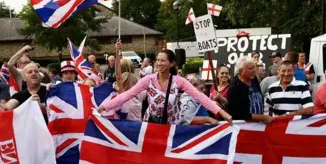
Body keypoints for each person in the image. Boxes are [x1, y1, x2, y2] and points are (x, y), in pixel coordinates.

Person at [98, 49, 232, 125]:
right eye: (158, 60)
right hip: (151, 124)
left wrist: (223, 113)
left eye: (163, 60)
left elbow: (200, 97)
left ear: (171, 63)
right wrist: (105, 106)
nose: (159, 63)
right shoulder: (148, 80)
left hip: (171, 126)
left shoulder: (178, 81)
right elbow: (127, 95)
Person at [227, 57, 273, 123]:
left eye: (253, 67)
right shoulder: (234, 87)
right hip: (244, 127)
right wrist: (263, 117)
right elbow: (237, 113)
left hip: (259, 125)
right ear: (240, 71)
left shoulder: (254, 80)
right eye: (250, 69)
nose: (254, 70)